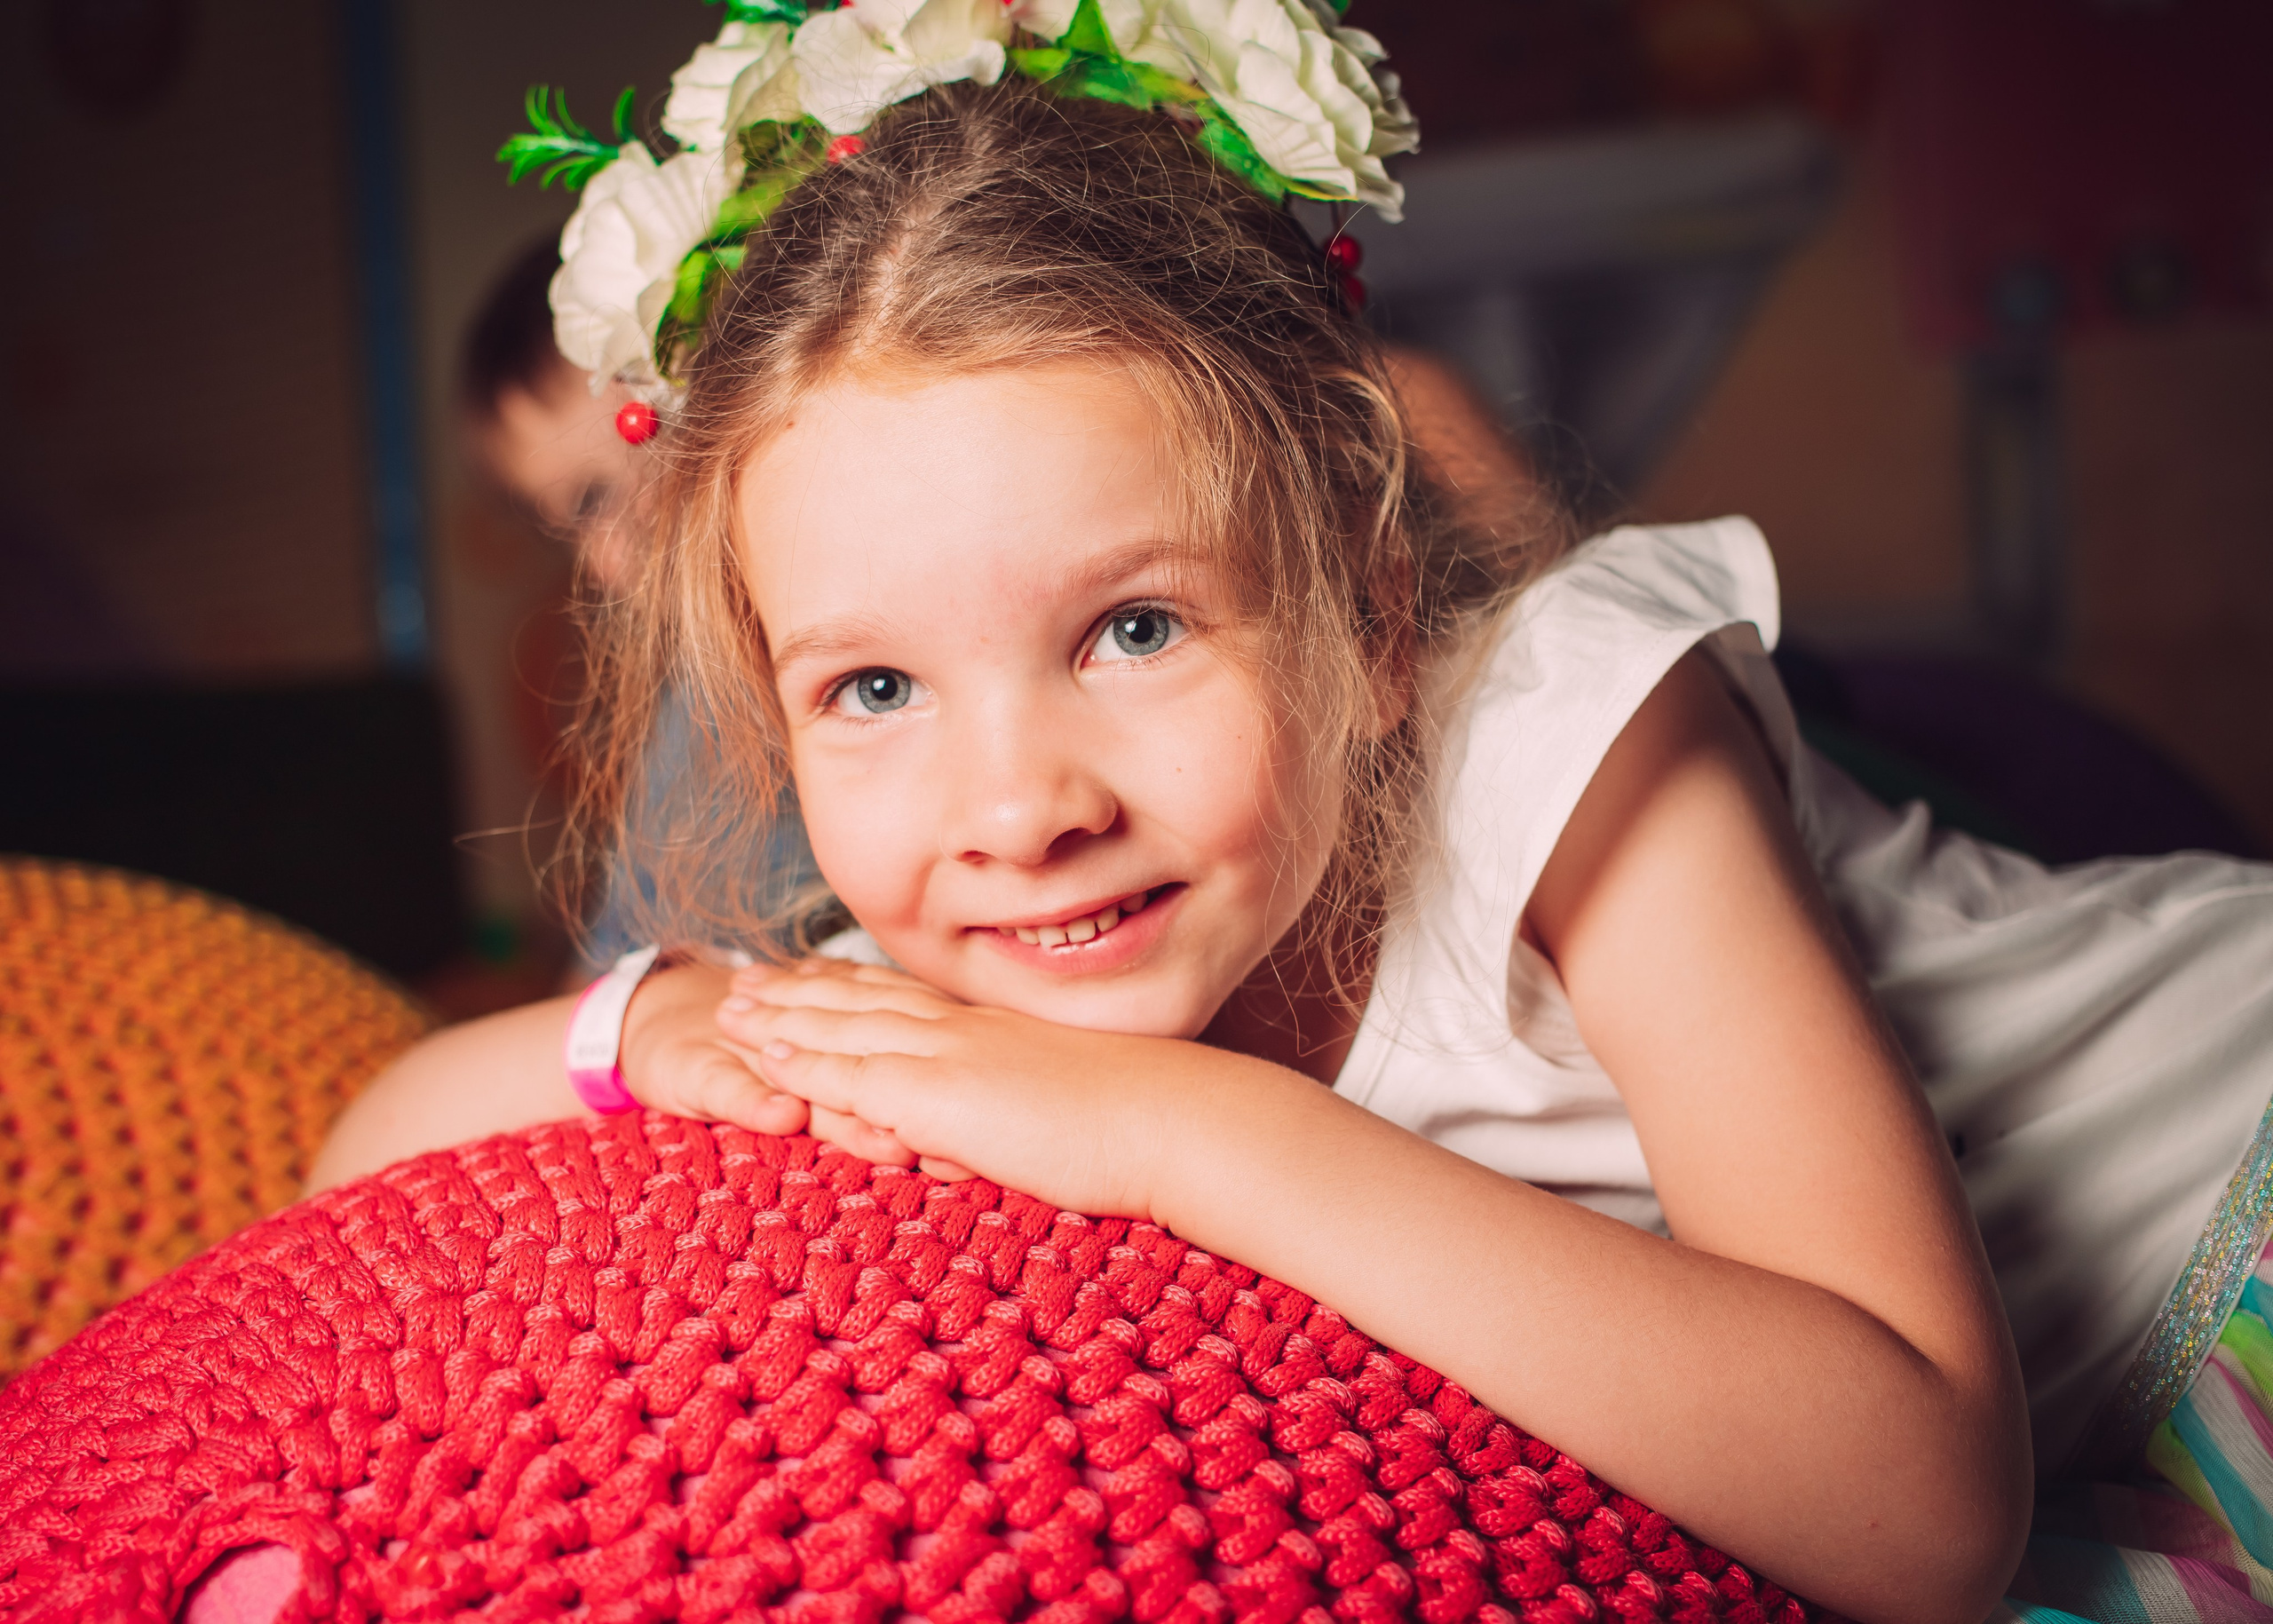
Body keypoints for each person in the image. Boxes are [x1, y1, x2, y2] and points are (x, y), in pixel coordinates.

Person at [312, 20, 2273, 1620]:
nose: (1019, 805)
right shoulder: (967, 964)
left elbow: (1913, 1505)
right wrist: (673, 1026)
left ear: (1365, 605)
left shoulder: (1561, 726)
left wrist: (1178, 1136)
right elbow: (364, 1161)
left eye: (1135, 628)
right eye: (872, 690)